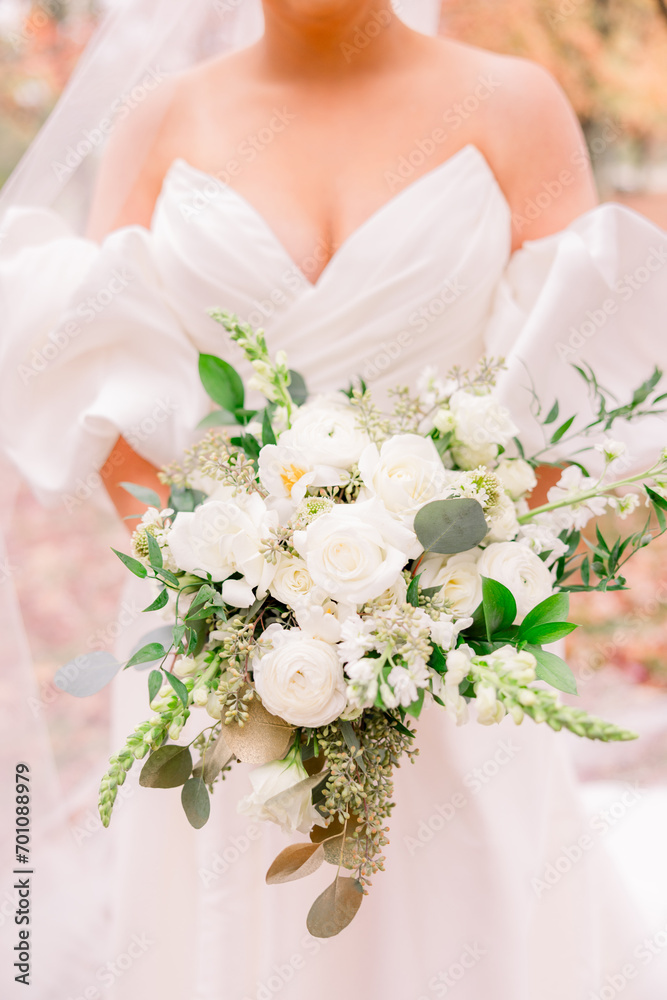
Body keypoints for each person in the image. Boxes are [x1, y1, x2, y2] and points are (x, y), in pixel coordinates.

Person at [0, 1, 665, 998]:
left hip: (443, 654)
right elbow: (110, 387)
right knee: (227, 932)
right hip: (215, 657)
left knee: (453, 919)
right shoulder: (157, 118)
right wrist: (235, 599)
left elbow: (565, 392)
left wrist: (422, 600)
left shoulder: (510, 104)